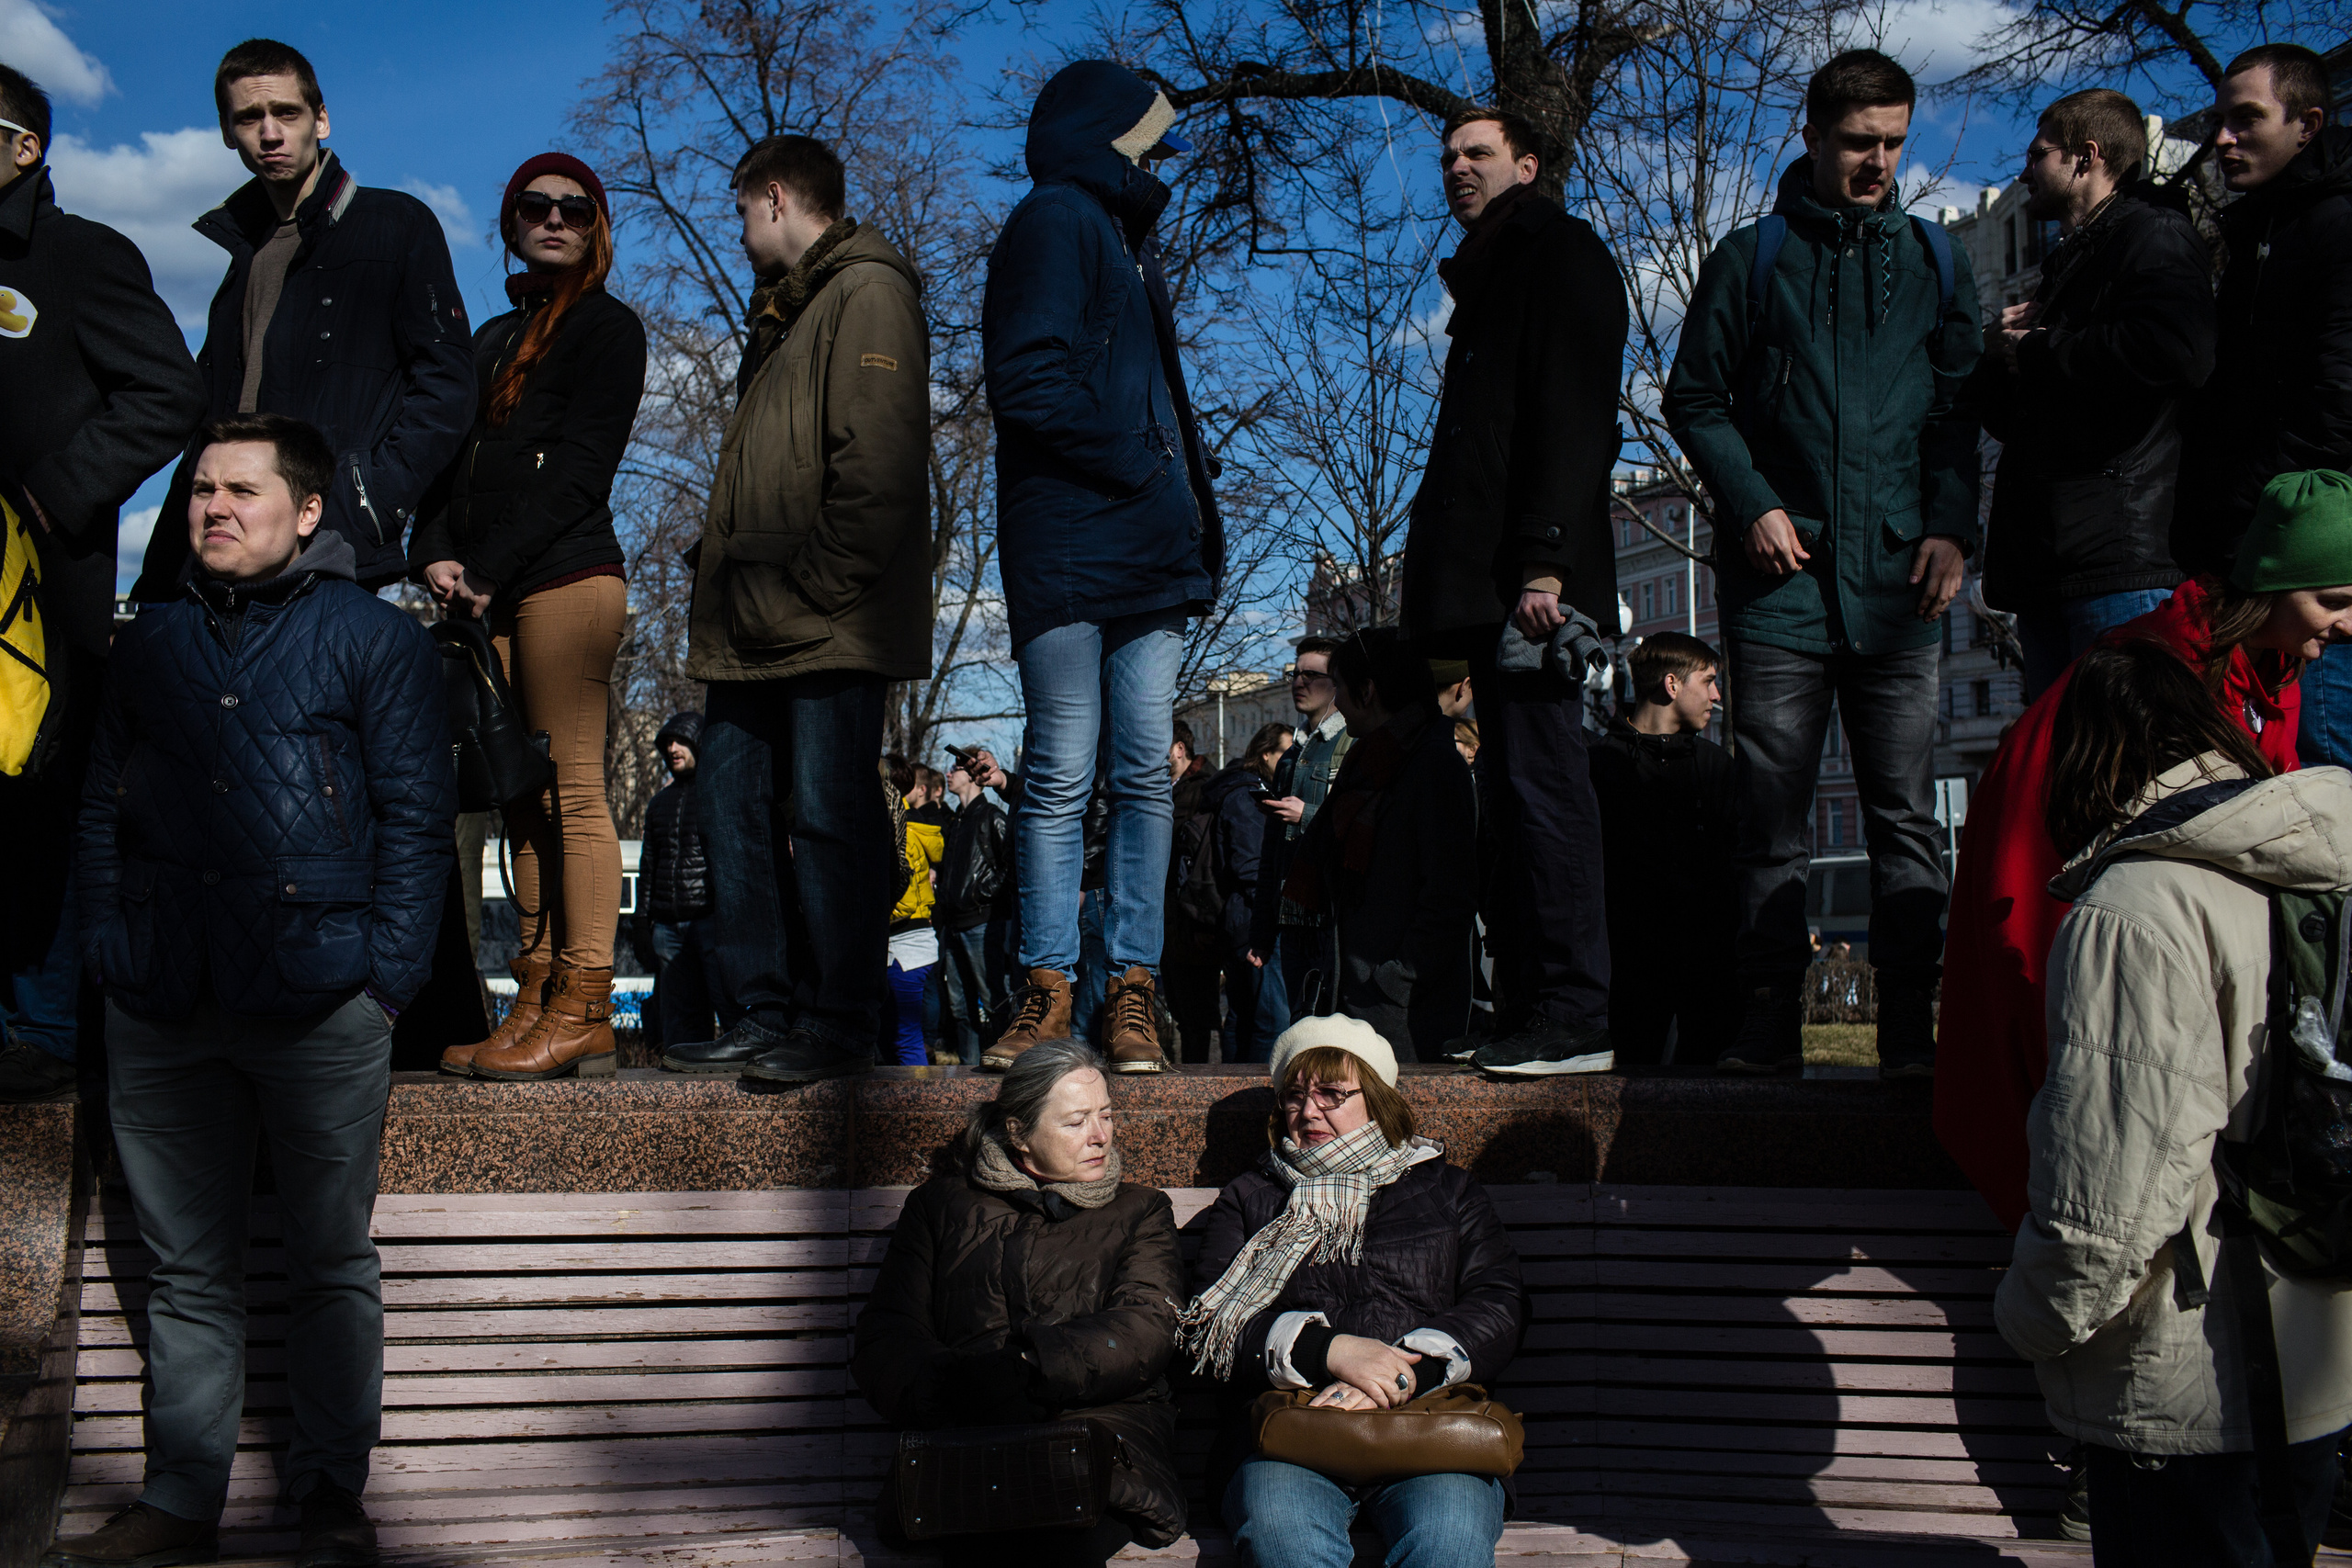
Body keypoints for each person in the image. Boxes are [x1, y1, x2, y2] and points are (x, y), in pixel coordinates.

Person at [52, 414, 451, 1568]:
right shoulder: (150, 644)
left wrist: (385, 981)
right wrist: (109, 951)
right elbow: (97, 817)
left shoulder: (375, 642)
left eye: (241, 491)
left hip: (323, 998)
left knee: (330, 1261)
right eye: (200, 492)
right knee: (187, 1269)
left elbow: (420, 824)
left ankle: (329, 1497)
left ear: (309, 512)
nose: (214, 509)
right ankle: (181, 1500)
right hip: (162, 996)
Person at [1665, 48, 1984, 1078]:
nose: (1878, 161)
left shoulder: (1937, 262)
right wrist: (1751, 501)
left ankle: (1907, 1036)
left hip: (1901, 591)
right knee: (1768, 823)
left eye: (1893, 141)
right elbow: (1694, 399)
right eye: (1858, 142)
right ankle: (1765, 1025)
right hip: (1781, 593)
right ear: (1810, 137)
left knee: (1903, 819)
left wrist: (1950, 525)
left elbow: (1954, 412)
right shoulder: (1751, 258)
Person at [1998, 637, 2352, 1566]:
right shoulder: (2314, 866)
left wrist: (2032, 1317)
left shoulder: (2135, 904)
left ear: (2082, 761)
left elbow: (2110, 1177)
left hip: (2187, 1376)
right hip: (2320, 1347)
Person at [1939, 469, 2352, 1230]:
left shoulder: (2268, 669)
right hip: (2055, 905)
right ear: (2272, 585)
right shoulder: (2152, 676)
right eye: (2334, 600)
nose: (2348, 625)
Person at [666, 134, 932, 1083]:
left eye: (741, 211)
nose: (738, 234)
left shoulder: (866, 291)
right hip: (754, 621)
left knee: (828, 818)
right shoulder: (787, 311)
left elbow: (878, 468)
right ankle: (765, 1011)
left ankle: (839, 1023)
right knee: (730, 808)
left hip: (822, 620)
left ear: (775, 197)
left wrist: (809, 590)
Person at [981, 61, 1223, 1074]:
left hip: (1145, 547)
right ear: (1106, 134)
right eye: (1148, 135)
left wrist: (1181, 505)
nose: (1161, 154)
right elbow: (1025, 381)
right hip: (1075, 543)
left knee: (1141, 780)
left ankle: (1133, 991)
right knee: (1058, 777)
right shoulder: (1057, 220)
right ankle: (1046, 991)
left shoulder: (1122, 239)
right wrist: (1141, 464)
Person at [1398, 105, 1629, 1077]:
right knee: (1511, 793)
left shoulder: (1558, 254)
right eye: (1447, 155)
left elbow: (1571, 421)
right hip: (1490, 590)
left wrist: (1544, 564)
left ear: (1526, 166)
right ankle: (1533, 1008)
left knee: (1544, 792)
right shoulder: (1493, 272)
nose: (1456, 167)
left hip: (1530, 587)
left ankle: (1576, 1012)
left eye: (1477, 154)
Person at [0, 65, 205, 1105]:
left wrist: (54, 495)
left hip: (36, 608)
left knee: (37, 811)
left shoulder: (80, 258)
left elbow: (171, 393)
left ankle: (41, 1029)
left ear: (23, 147)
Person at [418, 152, 645, 1081]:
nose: (553, 220)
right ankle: (535, 995)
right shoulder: (492, 338)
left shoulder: (606, 328)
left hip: (566, 579)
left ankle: (587, 1003)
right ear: (510, 222)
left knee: (571, 791)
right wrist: (431, 548)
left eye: (574, 210)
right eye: (533, 207)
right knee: (520, 796)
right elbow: (448, 457)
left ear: (595, 228)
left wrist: (486, 567)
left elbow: (585, 471)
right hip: (493, 590)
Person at [131, 39, 473, 599]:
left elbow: (448, 385)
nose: (269, 133)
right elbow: (212, 419)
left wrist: (369, 500)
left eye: (286, 113)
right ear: (226, 132)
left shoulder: (396, 224)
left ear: (321, 120)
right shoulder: (244, 252)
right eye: (249, 118)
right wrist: (165, 563)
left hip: (329, 547)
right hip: (222, 552)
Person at [1182, 1014, 1525, 1568]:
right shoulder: (1251, 1197)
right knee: (1285, 1540)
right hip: (1293, 1430)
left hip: (1430, 1425)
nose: (1309, 1110)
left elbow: (1499, 1302)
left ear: (1378, 1099)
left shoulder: (1447, 1188)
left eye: (1332, 1093)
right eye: (1293, 1096)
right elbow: (1212, 1327)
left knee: (1449, 1544)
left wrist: (1407, 1371)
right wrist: (1332, 1352)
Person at [851, 1040, 1185, 1566]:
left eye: (1106, 1115)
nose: (1101, 1136)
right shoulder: (939, 1206)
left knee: (1045, 1524)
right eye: (1076, 1122)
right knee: (981, 1518)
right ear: (1018, 1133)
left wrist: (1034, 1366)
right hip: (964, 1433)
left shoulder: (1140, 1210)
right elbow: (887, 1335)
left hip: (1101, 1436)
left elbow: (1146, 1326)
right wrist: (953, 1385)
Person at [1971, 89, 2215, 702]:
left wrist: (2033, 348)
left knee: (2129, 765)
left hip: (2121, 560)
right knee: (2066, 769)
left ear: (2087, 156)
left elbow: (2174, 352)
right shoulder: (2068, 264)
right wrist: (1994, 350)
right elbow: (2015, 416)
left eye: (2037, 155)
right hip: (2055, 564)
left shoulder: (2152, 236)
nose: (2024, 172)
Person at [2176, 45, 2352, 771]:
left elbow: (2337, 407)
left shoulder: (2335, 227)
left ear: (2306, 125)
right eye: (2219, 120)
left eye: (2246, 120)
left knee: (2324, 760)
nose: (2223, 138)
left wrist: (2250, 522)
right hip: (2263, 558)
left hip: (2309, 561)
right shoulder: (2258, 231)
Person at [1281, 630, 1478, 1064]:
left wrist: (1393, 982)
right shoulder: (1373, 760)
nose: (1337, 701)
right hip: (1358, 995)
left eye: (1339, 687)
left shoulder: (1431, 765)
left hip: (1403, 1013)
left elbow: (1449, 897)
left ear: (1367, 691)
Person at [1588, 633, 1736, 1066]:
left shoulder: (1715, 766)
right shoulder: (1599, 766)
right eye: (1708, 681)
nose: (1717, 696)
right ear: (1672, 685)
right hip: (1624, 970)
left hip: (1708, 971)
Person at [1248, 637, 1354, 1023]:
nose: (1299, 682)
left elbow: (1365, 825)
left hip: (1336, 919)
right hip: (1294, 922)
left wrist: (1307, 814)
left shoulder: (1352, 743)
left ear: (1337, 684)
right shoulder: (1291, 757)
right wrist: (1261, 932)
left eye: (1312, 674)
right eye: (1295, 673)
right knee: (1300, 1027)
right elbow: (1271, 856)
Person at [1198, 722, 1292, 1063]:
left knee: (1244, 1012)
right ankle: (1256, 1098)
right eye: (1286, 751)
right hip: (1252, 916)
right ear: (1266, 753)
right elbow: (1251, 864)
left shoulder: (1239, 789)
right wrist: (1267, 917)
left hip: (1240, 915)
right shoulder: (1248, 795)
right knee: (1271, 1019)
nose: (1292, 758)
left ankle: (1235, 1088)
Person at [638, 712, 718, 1054]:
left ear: (699, 743)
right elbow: (648, 867)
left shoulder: (717, 796)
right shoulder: (658, 803)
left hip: (710, 922)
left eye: (680, 740)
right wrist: (641, 923)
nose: (672, 748)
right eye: (667, 743)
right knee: (677, 1023)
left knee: (728, 1011)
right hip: (667, 927)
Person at [935, 751, 1013, 1065]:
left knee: (996, 1001)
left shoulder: (992, 816)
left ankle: (1007, 1073)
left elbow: (1011, 865)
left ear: (970, 774)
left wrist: (982, 893)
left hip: (983, 924)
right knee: (960, 1009)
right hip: (954, 927)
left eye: (955, 768)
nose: (948, 774)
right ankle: (968, 1077)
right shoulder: (956, 822)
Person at [1160, 731, 1222, 1064]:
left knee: (1198, 1011)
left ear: (1178, 749)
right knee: (1180, 1004)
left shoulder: (1204, 788)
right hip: (1169, 912)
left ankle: (1201, 1080)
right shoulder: (1164, 789)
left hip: (1194, 913)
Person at [882, 753, 946, 1066]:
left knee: (905, 1036)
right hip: (903, 942)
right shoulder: (902, 824)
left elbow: (902, 895)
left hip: (907, 944)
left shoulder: (902, 829)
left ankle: (917, 1107)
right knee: (894, 1035)